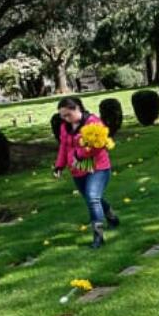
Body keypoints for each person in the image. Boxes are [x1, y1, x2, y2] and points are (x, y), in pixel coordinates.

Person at [53, 96, 118, 249]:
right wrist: (59, 166)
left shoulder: (93, 122)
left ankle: (98, 236)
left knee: (92, 198)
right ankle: (112, 217)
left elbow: (99, 145)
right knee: (93, 198)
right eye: (62, 116)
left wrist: (79, 154)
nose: (65, 119)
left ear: (77, 108)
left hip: (98, 168)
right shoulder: (65, 127)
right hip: (78, 169)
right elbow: (64, 147)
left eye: (68, 114)